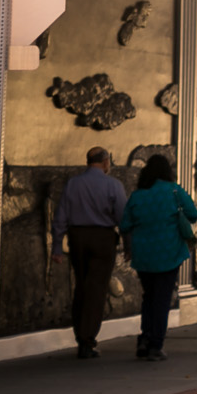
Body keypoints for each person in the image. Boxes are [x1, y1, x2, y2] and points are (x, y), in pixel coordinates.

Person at [119, 153, 197, 362]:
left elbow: (125, 224)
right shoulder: (174, 191)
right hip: (169, 252)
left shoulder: (137, 196)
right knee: (162, 298)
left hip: (143, 255)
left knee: (149, 296)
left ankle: (144, 339)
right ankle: (156, 344)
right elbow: (193, 214)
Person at [50, 146, 128, 359]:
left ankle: (80, 335)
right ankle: (87, 339)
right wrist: (129, 246)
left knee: (82, 286)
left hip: (77, 239)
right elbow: (123, 217)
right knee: (96, 289)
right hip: (103, 239)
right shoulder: (114, 185)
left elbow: (60, 217)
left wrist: (57, 247)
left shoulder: (72, 184)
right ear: (105, 162)